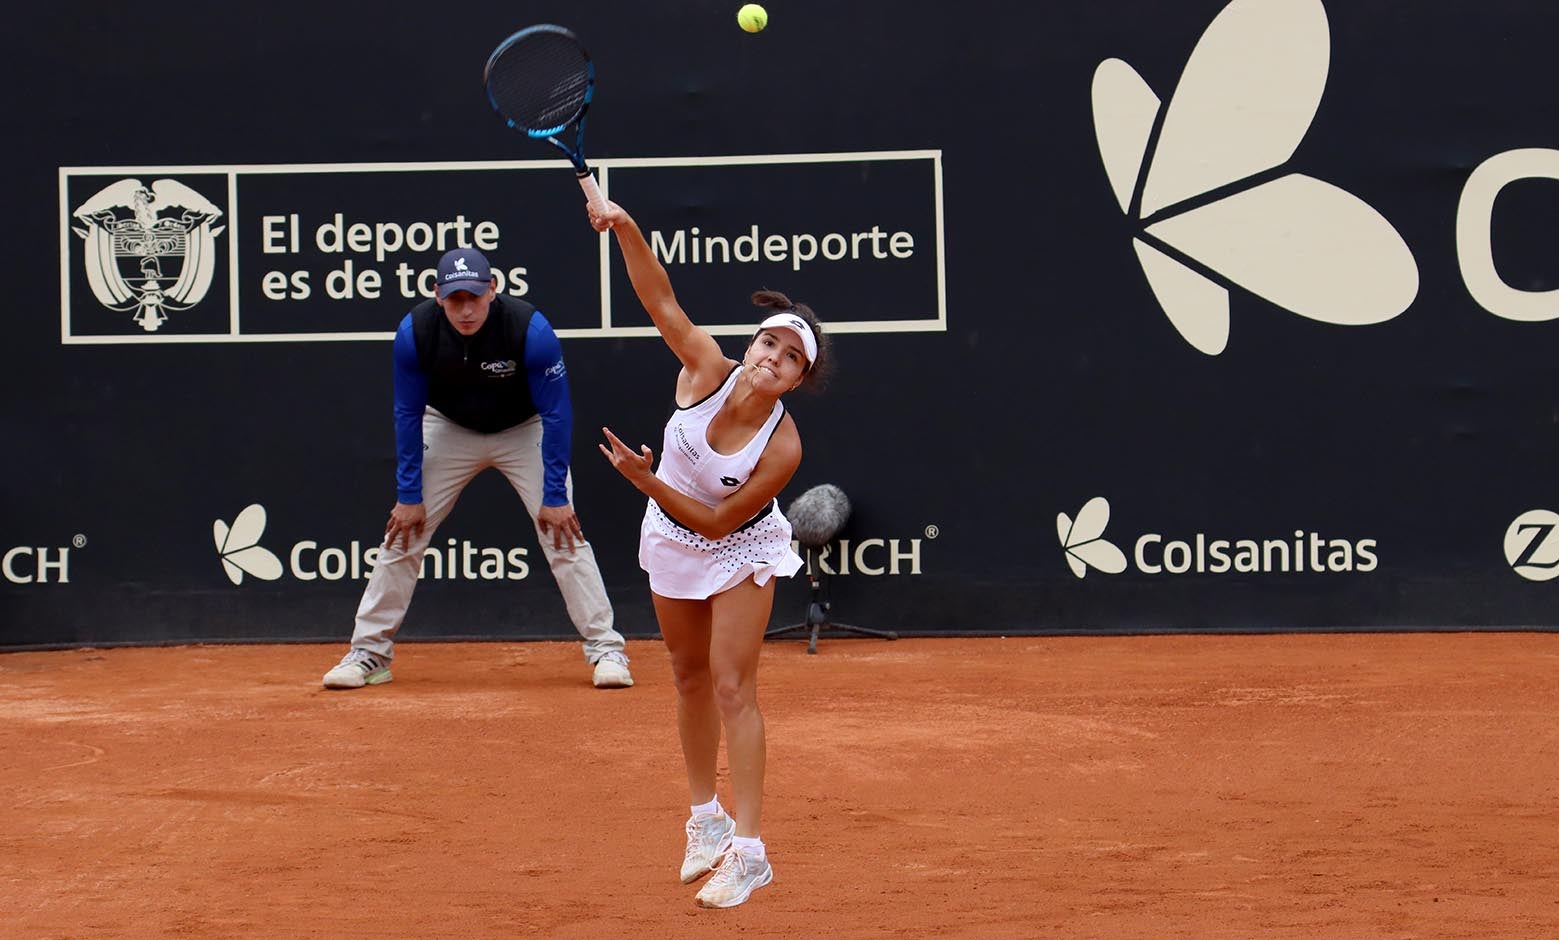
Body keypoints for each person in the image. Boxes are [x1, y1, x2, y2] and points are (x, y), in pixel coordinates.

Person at [589, 198, 830, 908]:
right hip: (671, 536)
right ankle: (706, 820)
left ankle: (750, 853)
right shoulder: (703, 366)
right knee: (686, 676)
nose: (773, 359)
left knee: (731, 688)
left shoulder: (783, 447)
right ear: (750, 347)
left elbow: (723, 523)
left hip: (739, 548)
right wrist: (624, 225)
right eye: (768, 345)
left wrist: (646, 480)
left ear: (797, 380)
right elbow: (658, 299)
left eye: (790, 358)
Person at [321, 247, 633, 691]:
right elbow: (407, 414)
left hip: (524, 429)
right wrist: (409, 495)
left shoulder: (530, 329)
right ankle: (369, 652)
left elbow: (557, 414)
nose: (465, 309)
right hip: (448, 427)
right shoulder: (416, 331)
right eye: (455, 299)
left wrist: (555, 496)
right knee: (403, 532)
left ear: (492, 289)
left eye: (473, 297)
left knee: (562, 530)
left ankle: (606, 649)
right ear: (437, 295)